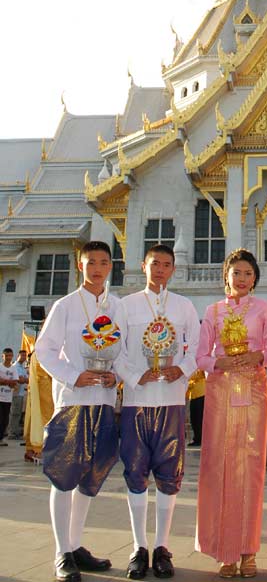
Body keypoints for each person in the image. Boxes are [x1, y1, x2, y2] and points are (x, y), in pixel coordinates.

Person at [36, 240, 123, 582]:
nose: (97, 268)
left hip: (103, 401)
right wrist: (74, 376)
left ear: (110, 266)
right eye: (91, 262)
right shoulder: (66, 306)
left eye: (103, 262)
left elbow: (125, 349)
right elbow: (45, 350)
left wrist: (118, 376)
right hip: (73, 401)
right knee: (64, 476)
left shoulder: (116, 306)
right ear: (80, 265)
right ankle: (61, 552)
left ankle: (74, 545)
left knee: (91, 476)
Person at [114, 243, 200, 581]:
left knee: (169, 474)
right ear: (143, 266)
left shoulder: (184, 306)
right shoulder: (126, 306)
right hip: (137, 400)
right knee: (135, 472)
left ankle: (162, 546)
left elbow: (197, 347)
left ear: (174, 269)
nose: (160, 269)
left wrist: (182, 369)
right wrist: (136, 376)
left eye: (166, 264)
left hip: (172, 399)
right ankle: (139, 546)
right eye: (155, 264)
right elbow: (115, 350)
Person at [196, 248, 267, 578]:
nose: (241, 279)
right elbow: (201, 357)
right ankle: (224, 551)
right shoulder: (213, 311)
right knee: (220, 467)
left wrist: (258, 356)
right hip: (222, 391)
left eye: (247, 273)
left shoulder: (264, 309)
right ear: (226, 276)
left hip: (254, 390)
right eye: (236, 273)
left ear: (254, 278)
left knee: (251, 469)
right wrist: (221, 362)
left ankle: (248, 550)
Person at [8, 347, 29, 439]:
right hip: (16, 393)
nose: (24, 357)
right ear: (18, 356)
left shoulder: (22, 367)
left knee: (18, 414)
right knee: (14, 413)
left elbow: (25, 378)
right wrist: (28, 380)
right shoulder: (15, 366)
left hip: (21, 393)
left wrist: (26, 379)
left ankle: (14, 431)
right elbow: (20, 379)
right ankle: (11, 433)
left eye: (25, 355)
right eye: (22, 355)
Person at [0, 347, 19, 445]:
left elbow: (15, 383)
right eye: (6, 356)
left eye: (10, 356)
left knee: (5, 420)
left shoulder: (13, 368)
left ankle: (1, 438)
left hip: (8, 398)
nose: (8, 358)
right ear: (2, 356)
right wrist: (9, 382)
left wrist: (4, 381)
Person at [187, 368, 205, 448]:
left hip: (201, 393)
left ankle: (200, 439)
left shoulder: (199, 365)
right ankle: (197, 439)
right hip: (194, 394)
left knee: (199, 418)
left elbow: (200, 374)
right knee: (194, 418)